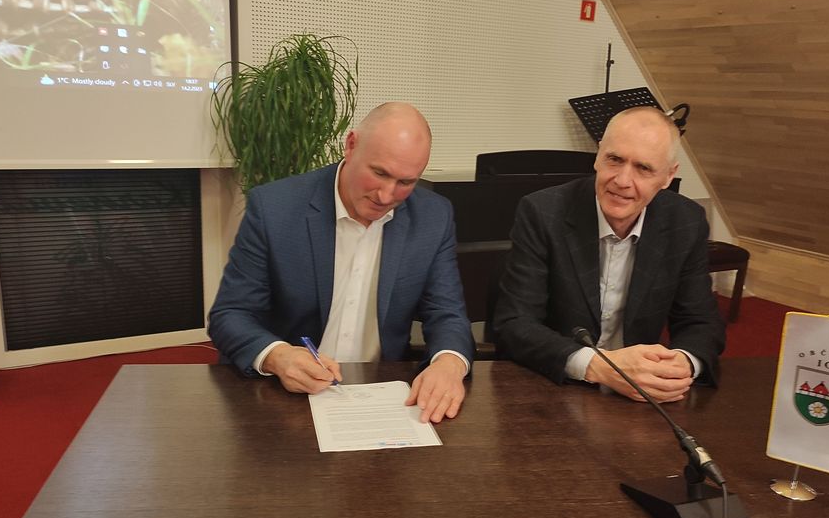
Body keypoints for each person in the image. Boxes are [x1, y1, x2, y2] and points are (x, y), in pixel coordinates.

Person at [208, 102, 475, 423]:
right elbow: (231, 314)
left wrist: (449, 364)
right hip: (284, 397)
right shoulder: (275, 208)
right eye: (379, 173)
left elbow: (447, 313)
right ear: (350, 145)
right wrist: (278, 356)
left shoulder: (433, 216)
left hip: (383, 394)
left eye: (406, 182)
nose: (386, 195)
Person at [492, 106, 724, 403]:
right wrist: (599, 367)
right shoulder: (543, 212)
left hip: (640, 394)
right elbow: (515, 324)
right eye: (615, 160)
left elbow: (701, 322)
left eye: (643, 168)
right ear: (598, 155)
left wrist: (681, 363)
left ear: (668, 176)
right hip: (555, 387)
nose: (623, 181)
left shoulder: (685, 222)